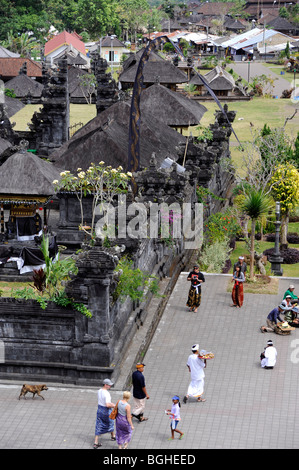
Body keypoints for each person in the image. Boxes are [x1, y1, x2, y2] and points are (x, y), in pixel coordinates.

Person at [94, 378, 116, 448]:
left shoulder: (99, 391)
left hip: (99, 409)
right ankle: (113, 436)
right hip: (106, 411)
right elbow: (107, 404)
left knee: (99, 424)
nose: (110, 386)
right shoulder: (107, 394)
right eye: (109, 385)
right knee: (110, 422)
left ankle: (96, 442)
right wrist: (114, 405)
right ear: (105, 385)